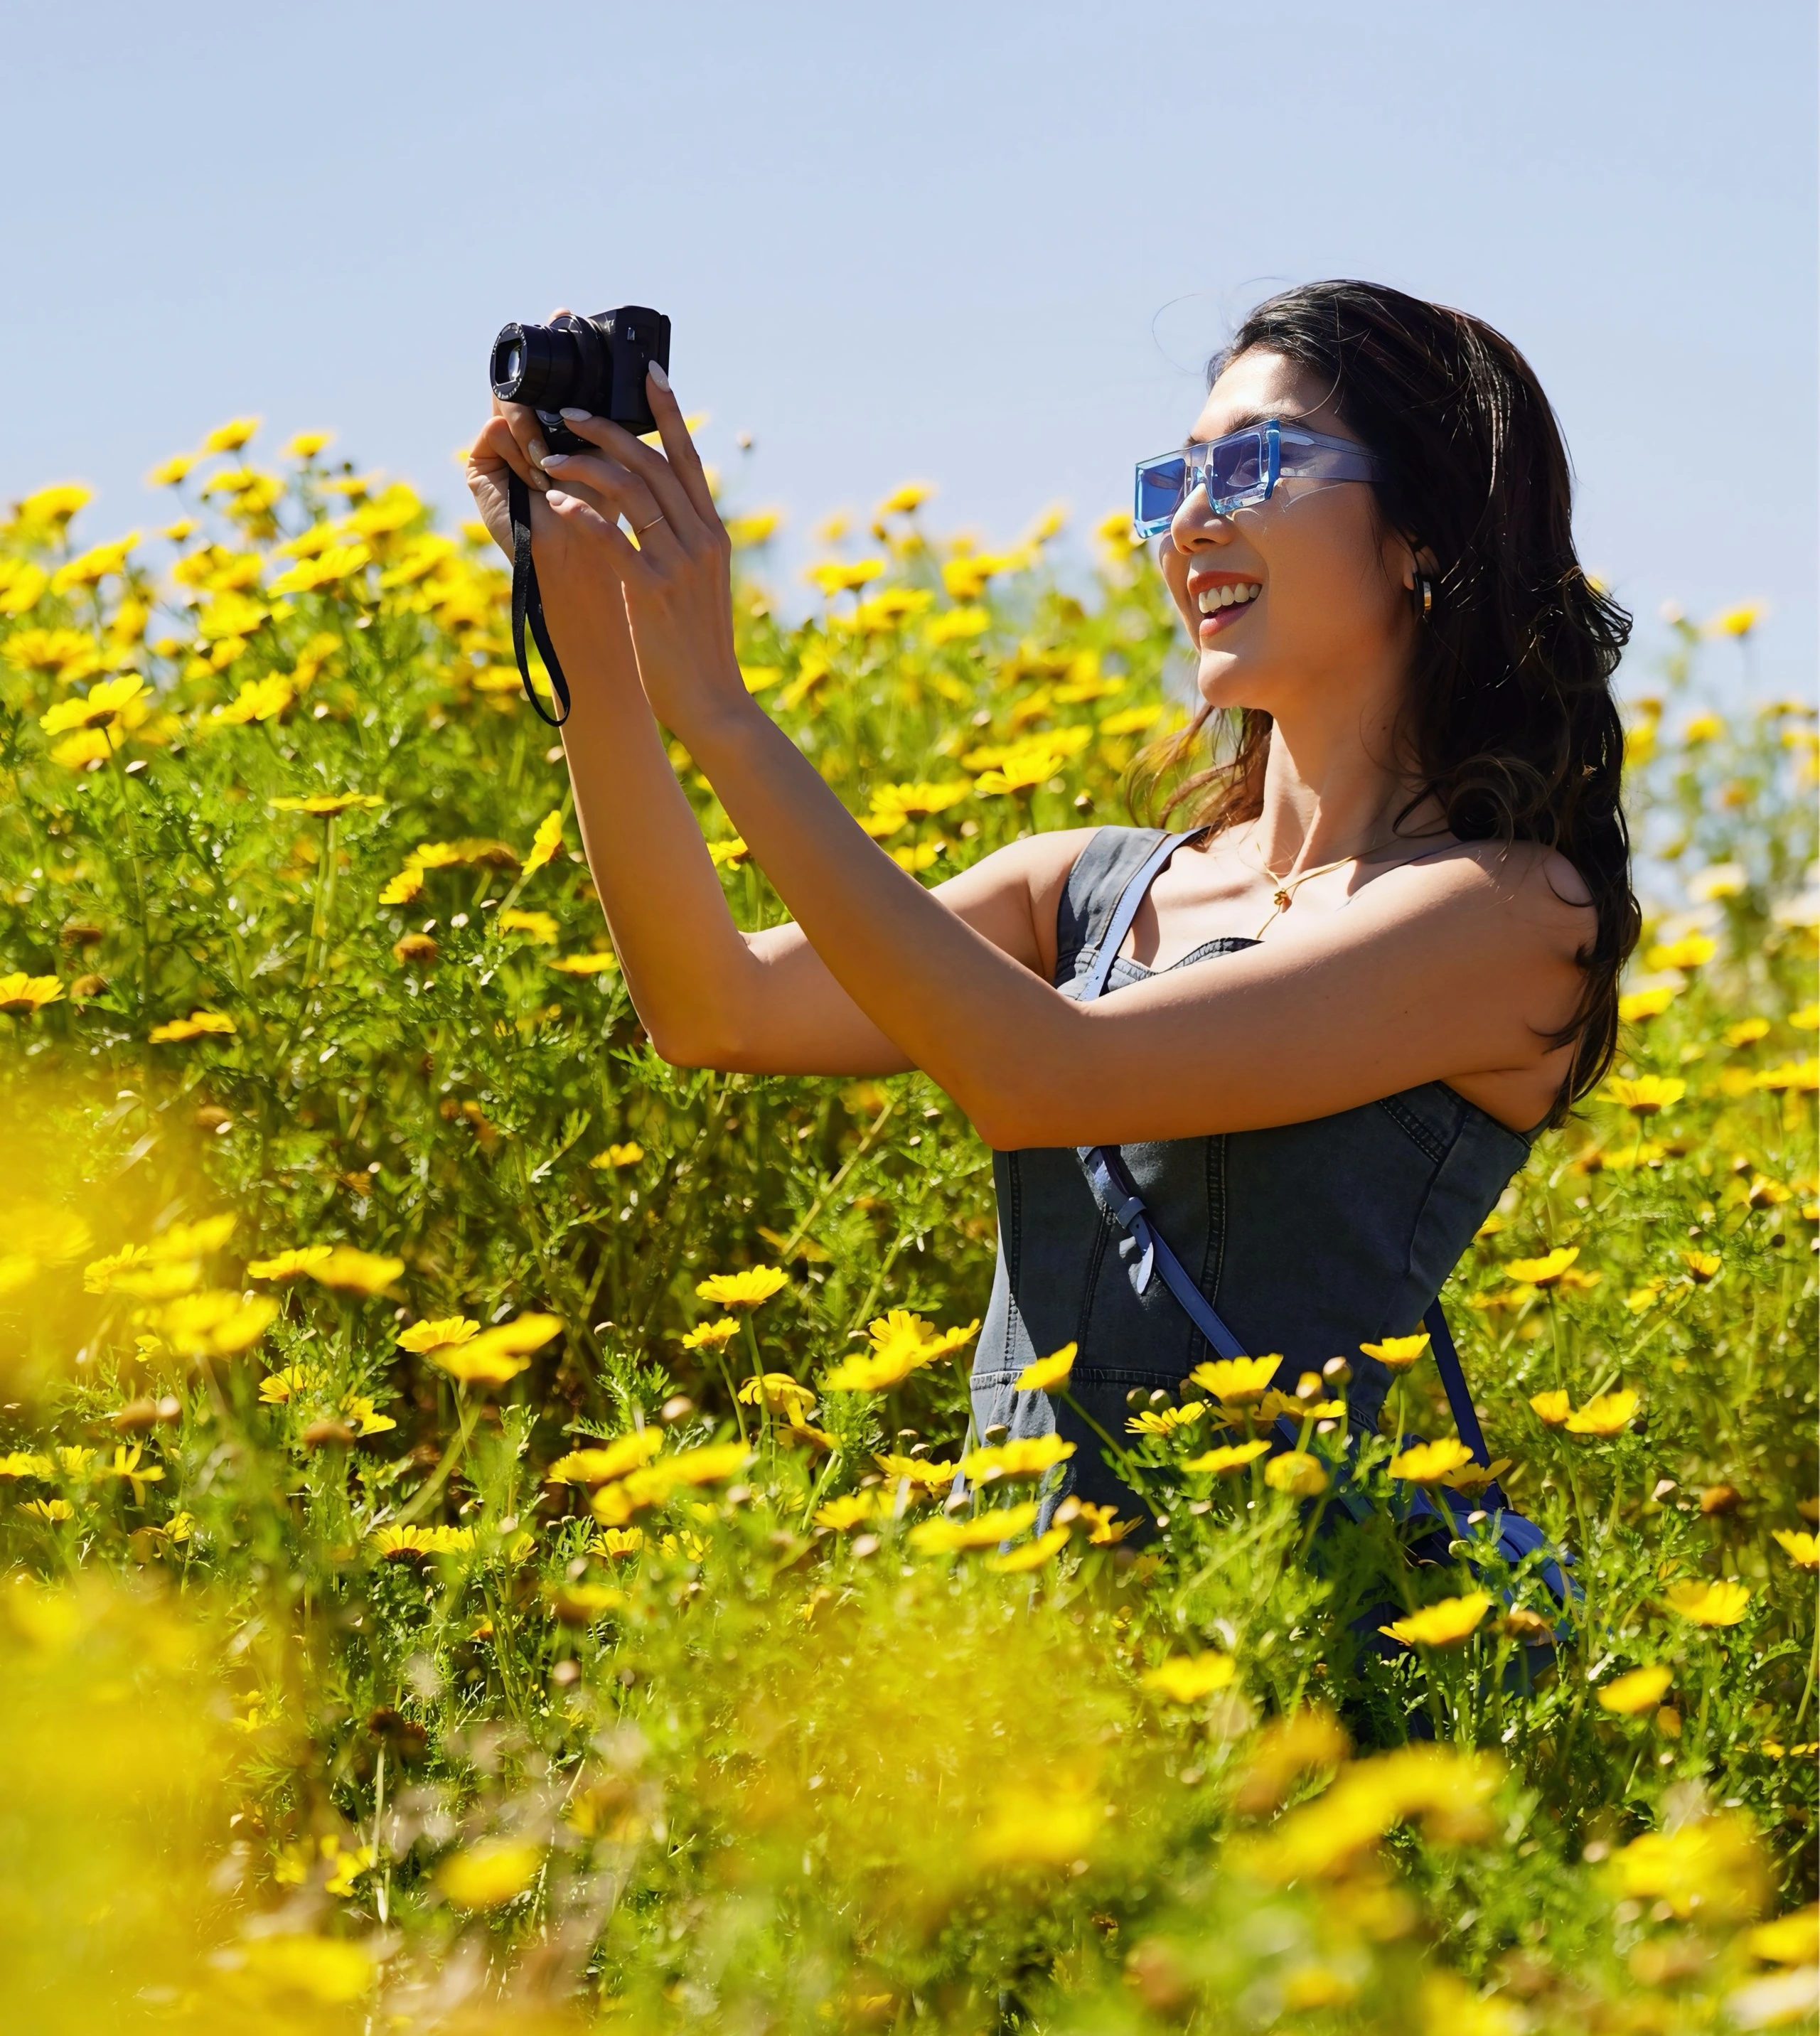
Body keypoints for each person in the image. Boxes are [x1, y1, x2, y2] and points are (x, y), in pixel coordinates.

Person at [466, 279, 1639, 1532]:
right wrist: (587, 621)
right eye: (1174, 481)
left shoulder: (1511, 915)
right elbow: (716, 1005)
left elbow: (1044, 1076)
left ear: (1426, 532)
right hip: (1023, 1640)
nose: (1187, 526)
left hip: (1287, 1669)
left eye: (1253, 468)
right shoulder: (1090, 888)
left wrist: (721, 710)